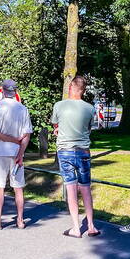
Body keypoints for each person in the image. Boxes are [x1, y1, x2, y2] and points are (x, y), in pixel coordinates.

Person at [52, 76, 99, 238]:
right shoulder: (90, 108)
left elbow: (56, 125)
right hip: (83, 152)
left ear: (71, 87)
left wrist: (58, 130)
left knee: (71, 189)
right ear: (83, 90)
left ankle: (76, 228)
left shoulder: (59, 105)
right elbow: (88, 129)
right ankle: (91, 226)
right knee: (86, 188)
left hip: (65, 151)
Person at [0, 79, 32, 230]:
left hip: (0, 152)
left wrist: (11, 139)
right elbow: (26, 134)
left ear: (3, 91)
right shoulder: (23, 109)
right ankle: (20, 220)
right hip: (17, 154)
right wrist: (20, 152)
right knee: (18, 187)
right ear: (15, 91)